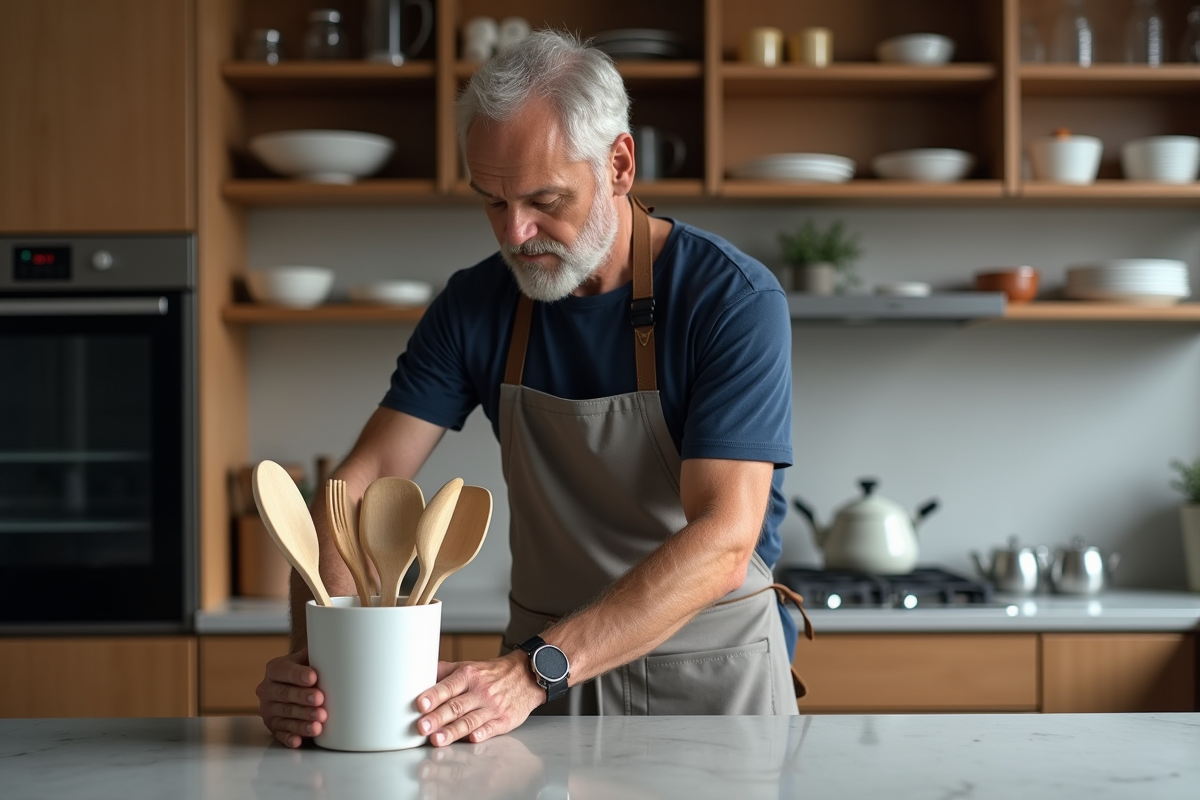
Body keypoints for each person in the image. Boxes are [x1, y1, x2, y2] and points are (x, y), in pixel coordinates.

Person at [256, 29, 809, 750]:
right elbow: (358, 488)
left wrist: (534, 670)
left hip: (708, 685)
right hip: (534, 693)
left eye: (545, 200)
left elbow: (723, 541)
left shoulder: (730, 300)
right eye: (492, 202)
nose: (516, 234)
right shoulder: (475, 305)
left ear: (619, 164)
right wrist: (322, 662)